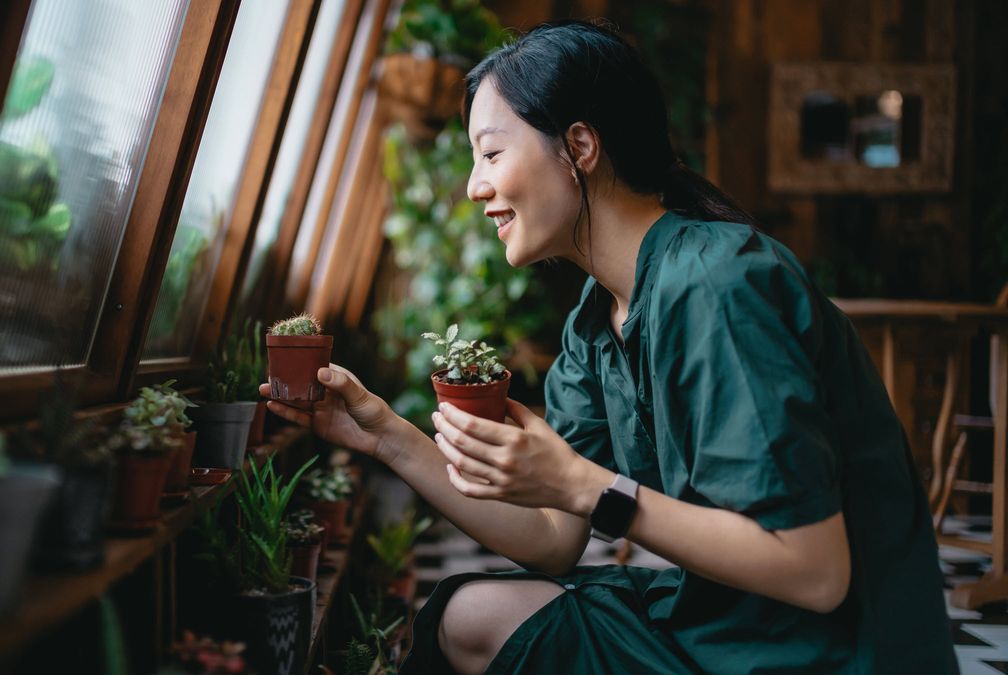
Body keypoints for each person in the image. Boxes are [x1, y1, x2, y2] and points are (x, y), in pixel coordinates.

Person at [259, 20, 957, 674]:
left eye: (492, 153)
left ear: (580, 149)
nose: (475, 187)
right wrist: (386, 435)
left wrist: (584, 483)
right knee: (464, 613)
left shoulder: (717, 284)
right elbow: (552, 535)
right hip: (721, 624)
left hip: (827, 652)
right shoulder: (598, 319)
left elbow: (815, 571)